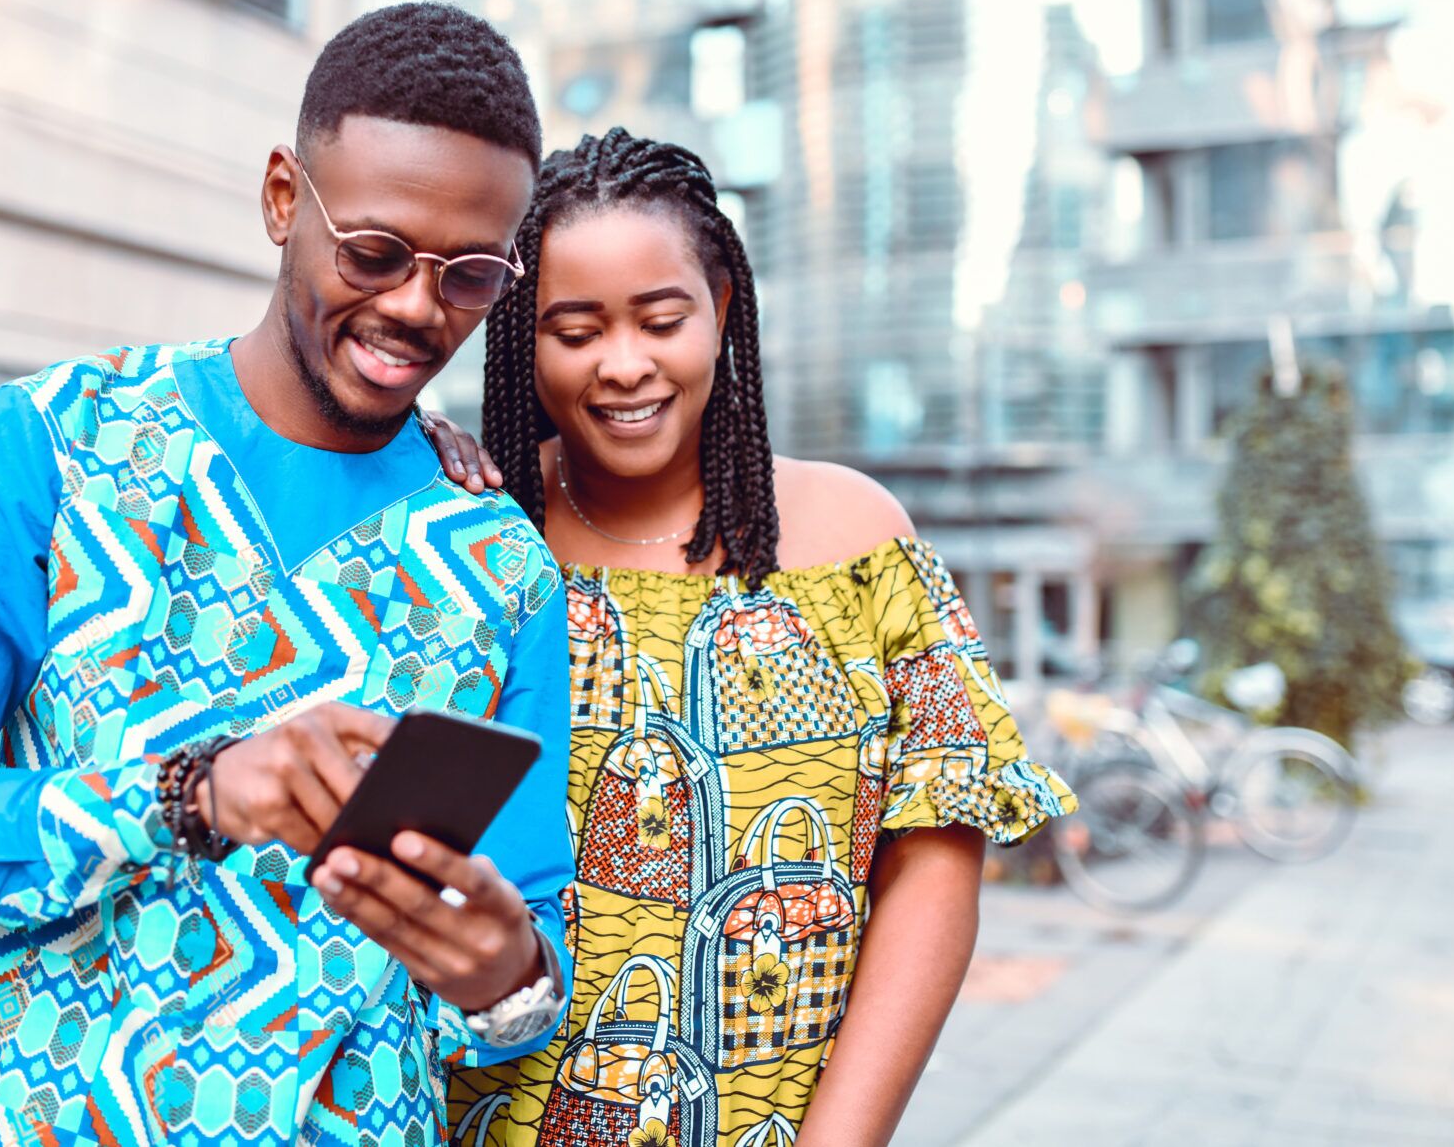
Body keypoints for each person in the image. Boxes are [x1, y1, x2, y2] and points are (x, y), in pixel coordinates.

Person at [0, 3, 574, 1147]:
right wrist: (186, 796)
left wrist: (504, 973)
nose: (416, 308)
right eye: (373, 253)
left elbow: (523, 958)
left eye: (466, 277)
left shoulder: (500, 564)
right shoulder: (48, 448)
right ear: (281, 198)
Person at [427, 128, 1076, 1147]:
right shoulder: (468, 539)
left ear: (721, 308)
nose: (623, 365)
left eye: (660, 318)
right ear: (520, 339)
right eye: (575, 328)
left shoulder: (857, 540)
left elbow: (935, 868)